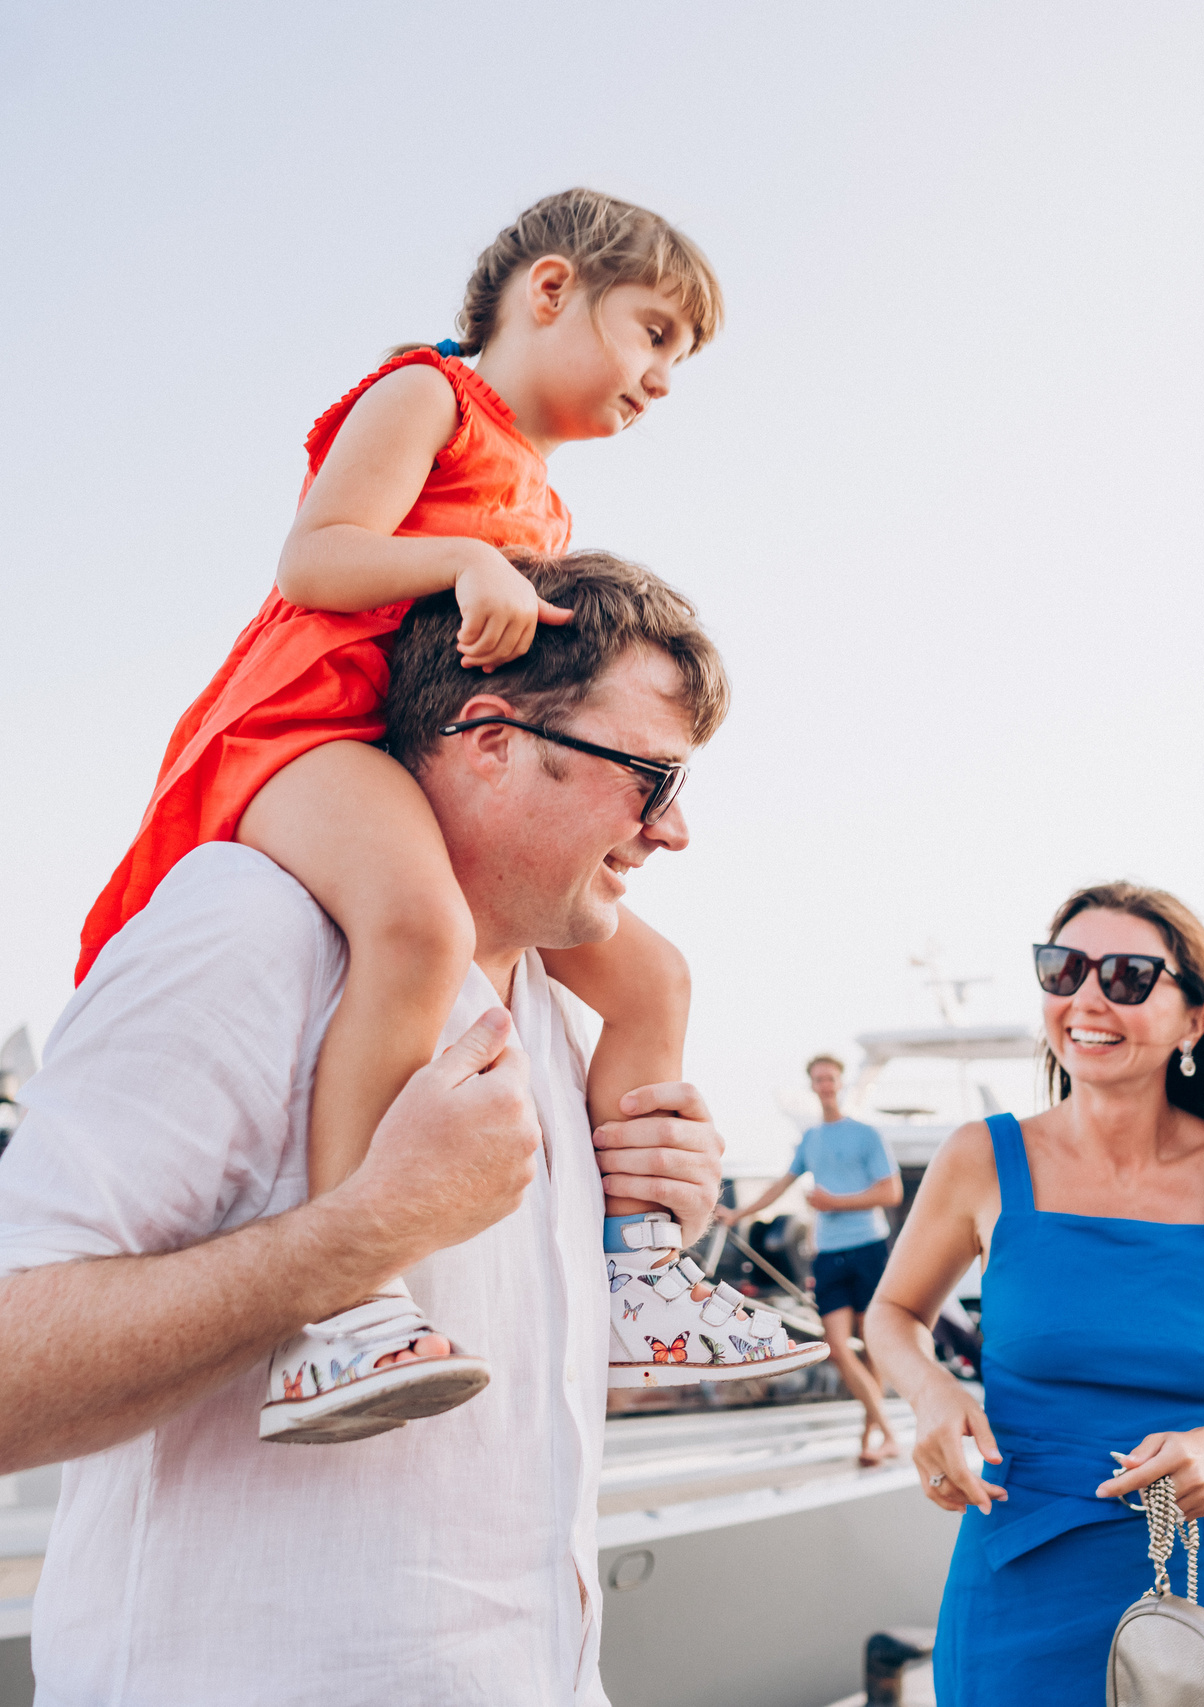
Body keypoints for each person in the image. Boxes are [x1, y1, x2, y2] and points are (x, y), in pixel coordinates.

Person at [0, 554, 795, 1701]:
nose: (672, 834)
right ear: (490, 738)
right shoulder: (250, 936)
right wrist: (361, 1232)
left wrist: (645, 1228)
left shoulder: (567, 1024)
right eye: (648, 780)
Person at [71, 189, 812, 1439]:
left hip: (407, 746)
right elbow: (315, 558)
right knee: (417, 930)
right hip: (311, 726)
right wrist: (464, 564)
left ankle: (639, 1275)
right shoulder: (426, 394)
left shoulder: (547, 503)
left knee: (653, 984)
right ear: (551, 290)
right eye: (653, 336)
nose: (664, 380)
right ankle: (348, 1305)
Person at [866, 882, 1204, 1706]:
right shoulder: (980, 1157)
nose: (1087, 998)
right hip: (1014, 1584)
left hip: (1203, 1590)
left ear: (1195, 1019)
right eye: (1064, 969)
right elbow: (893, 1313)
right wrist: (934, 1398)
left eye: (1126, 976)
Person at [718, 1054, 904, 1465]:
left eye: (831, 1078)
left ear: (840, 1082)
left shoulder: (867, 1134)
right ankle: (886, 1432)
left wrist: (835, 1202)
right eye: (818, 1079)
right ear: (813, 1085)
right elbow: (781, 1184)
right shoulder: (811, 1141)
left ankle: (871, 1435)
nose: (826, 1085)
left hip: (868, 1248)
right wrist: (737, 1214)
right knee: (837, 1347)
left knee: (872, 1346)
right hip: (828, 1253)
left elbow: (891, 1193)